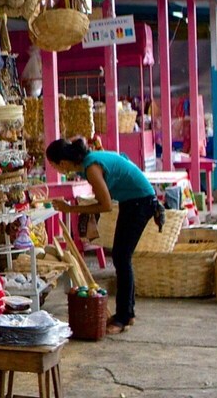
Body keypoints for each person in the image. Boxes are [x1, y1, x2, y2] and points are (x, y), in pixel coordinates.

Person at [46, 137, 157, 335]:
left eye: (55, 166)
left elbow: (105, 205)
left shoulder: (91, 167)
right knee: (121, 257)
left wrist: (71, 209)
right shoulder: (88, 164)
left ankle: (124, 316)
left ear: (63, 163)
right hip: (133, 201)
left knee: (122, 258)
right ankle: (127, 313)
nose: (57, 170)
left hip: (141, 201)